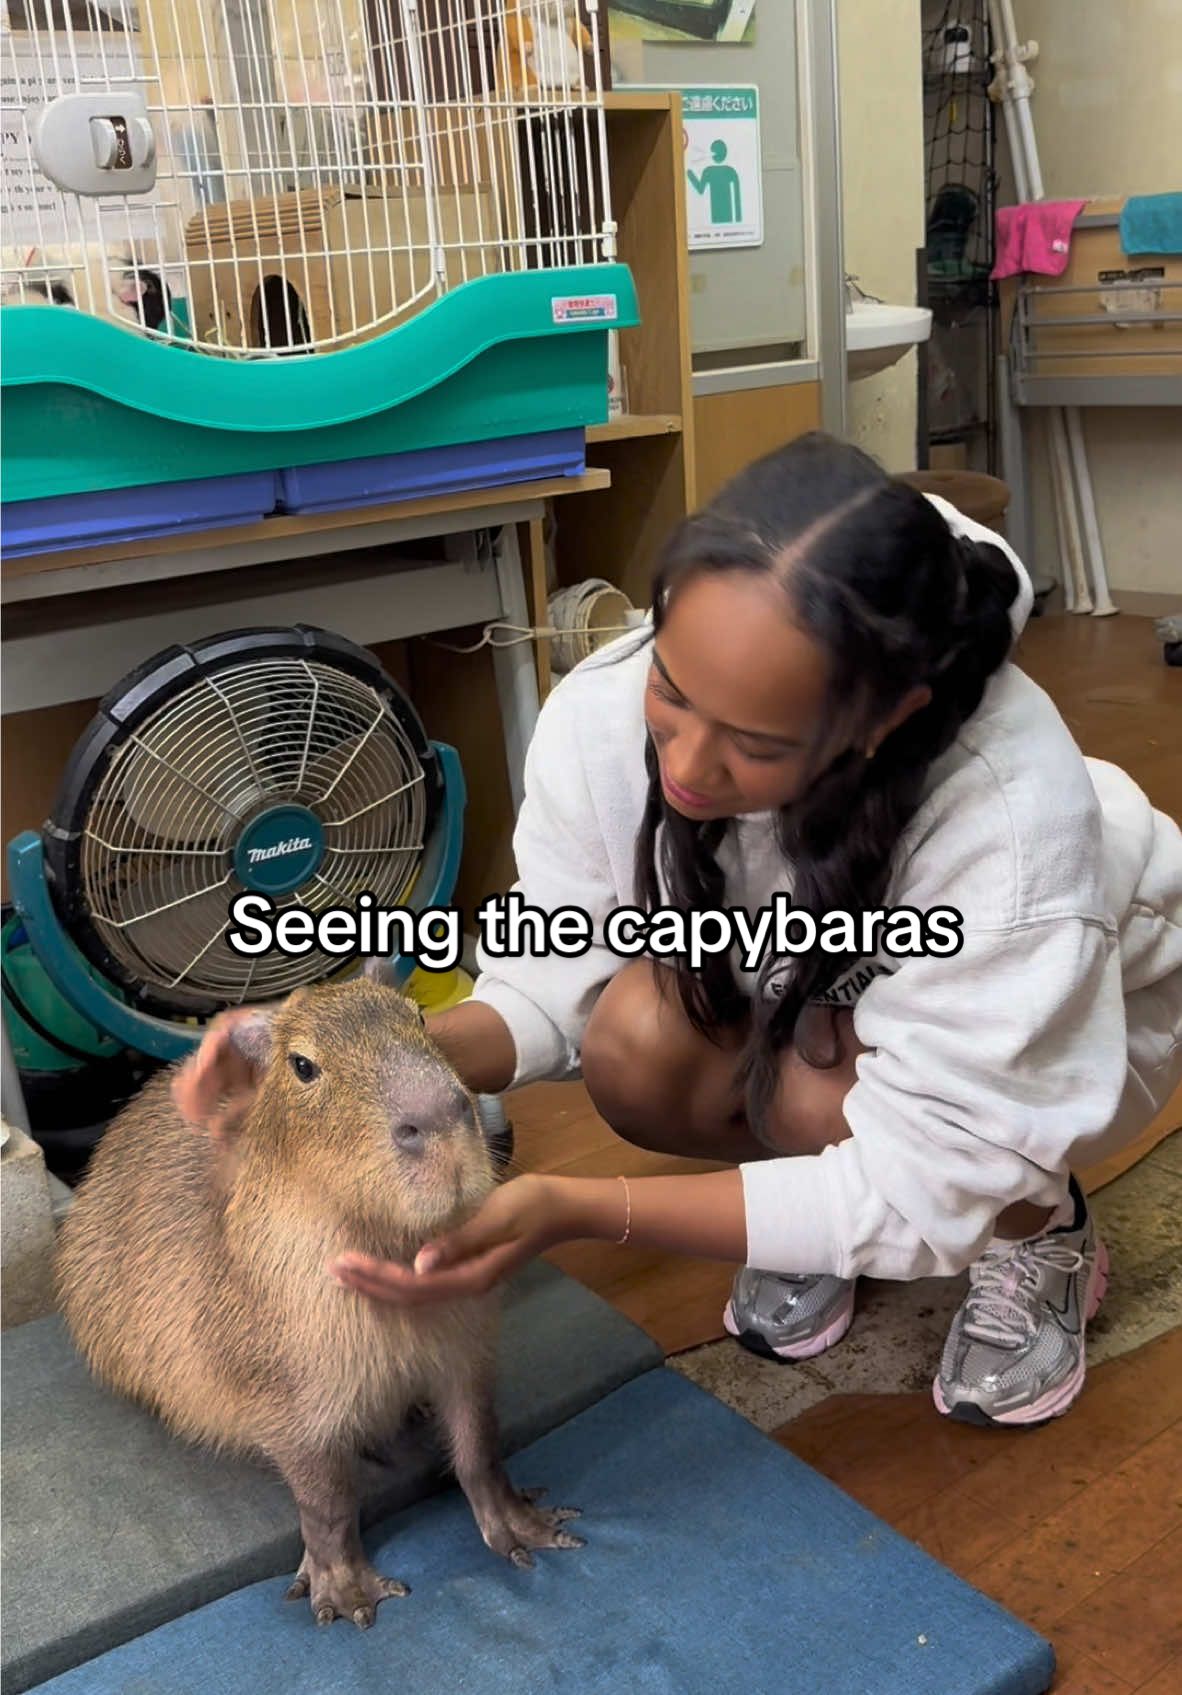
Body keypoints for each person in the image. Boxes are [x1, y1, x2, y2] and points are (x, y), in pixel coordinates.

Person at [191, 432, 1182, 1429]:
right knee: (639, 1043)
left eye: (758, 745)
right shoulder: (602, 717)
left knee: (834, 1089)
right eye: (673, 690)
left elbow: (937, 1172)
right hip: (802, 986)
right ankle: (812, 1207)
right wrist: (341, 1072)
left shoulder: (1008, 821)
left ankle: (1039, 1230)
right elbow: (552, 975)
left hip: (1066, 1025)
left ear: (886, 719)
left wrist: (585, 1208)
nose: (692, 770)